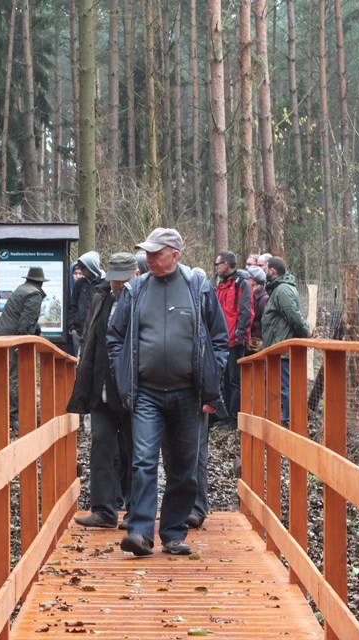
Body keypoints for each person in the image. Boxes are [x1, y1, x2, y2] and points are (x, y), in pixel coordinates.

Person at [107, 228, 229, 556]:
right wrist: (122, 375)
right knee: (143, 461)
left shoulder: (198, 288)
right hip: (146, 392)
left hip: (188, 393)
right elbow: (115, 337)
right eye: (146, 252)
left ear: (175, 255)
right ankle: (140, 533)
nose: (148, 258)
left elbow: (219, 339)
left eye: (156, 253)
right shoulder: (135, 290)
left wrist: (210, 384)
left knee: (184, 466)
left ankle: (173, 533)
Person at [67, 253, 139, 529]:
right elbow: (90, 339)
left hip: (131, 390)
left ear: (135, 275)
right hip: (100, 387)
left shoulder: (143, 298)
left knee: (135, 450)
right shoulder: (101, 296)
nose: (117, 284)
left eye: (122, 279)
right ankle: (104, 510)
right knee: (101, 445)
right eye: (113, 279)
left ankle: (136, 511)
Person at [0, 266, 49, 429]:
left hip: (3, 335)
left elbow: (25, 317)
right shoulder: (34, 294)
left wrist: (36, 332)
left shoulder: (22, 289)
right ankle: (13, 416)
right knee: (14, 376)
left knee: (5, 375)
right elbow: (26, 321)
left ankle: (2, 412)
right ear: (41, 282)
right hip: (12, 338)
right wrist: (24, 341)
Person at [262, 257, 309, 426]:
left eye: (265, 268)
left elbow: (294, 317)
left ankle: (287, 423)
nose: (263, 271)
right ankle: (279, 421)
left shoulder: (282, 290)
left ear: (272, 270)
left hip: (282, 349)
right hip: (276, 349)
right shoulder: (278, 289)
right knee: (278, 388)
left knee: (284, 388)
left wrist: (306, 336)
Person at [216, 251, 254, 429]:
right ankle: (225, 416)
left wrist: (240, 335)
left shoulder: (241, 283)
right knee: (224, 380)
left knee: (235, 380)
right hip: (222, 340)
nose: (216, 267)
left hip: (234, 340)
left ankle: (235, 418)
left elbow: (246, 311)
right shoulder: (221, 284)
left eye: (218, 264)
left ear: (227, 264)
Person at [68, 251, 105, 355]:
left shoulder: (104, 283)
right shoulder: (80, 284)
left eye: (84, 269)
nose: (83, 273)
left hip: (97, 333)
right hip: (79, 332)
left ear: (91, 267)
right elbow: (73, 306)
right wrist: (72, 327)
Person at [245, 265, 269, 354]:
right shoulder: (249, 296)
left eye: (248, 278)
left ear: (254, 281)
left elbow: (266, 324)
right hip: (250, 343)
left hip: (257, 345)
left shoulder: (264, 299)